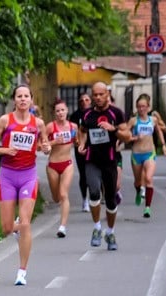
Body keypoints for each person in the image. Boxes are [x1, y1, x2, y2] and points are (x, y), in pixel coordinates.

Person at [0, 84, 51, 285]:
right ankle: (15, 229)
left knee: (25, 222)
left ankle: (22, 272)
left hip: (28, 176)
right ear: (15, 100)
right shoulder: (6, 120)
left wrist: (46, 148)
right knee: (6, 228)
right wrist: (5, 150)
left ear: (31, 100)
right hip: (8, 176)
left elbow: (44, 146)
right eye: (19, 96)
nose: (23, 99)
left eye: (26, 96)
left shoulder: (38, 123)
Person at [77, 81, 128, 251]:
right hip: (92, 160)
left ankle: (110, 232)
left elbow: (127, 136)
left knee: (111, 201)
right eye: (95, 95)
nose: (98, 98)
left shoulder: (116, 113)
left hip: (110, 161)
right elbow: (82, 131)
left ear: (107, 94)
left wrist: (112, 129)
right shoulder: (87, 115)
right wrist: (81, 144)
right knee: (93, 191)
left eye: (101, 94)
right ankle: (97, 227)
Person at [126, 93, 166, 218]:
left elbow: (159, 131)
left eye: (144, 106)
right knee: (138, 182)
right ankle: (139, 191)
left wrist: (164, 145)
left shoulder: (153, 120)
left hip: (150, 153)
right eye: (139, 106)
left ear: (148, 107)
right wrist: (134, 137)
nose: (141, 109)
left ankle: (147, 207)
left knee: (149, 178)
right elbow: (125, 136)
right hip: (136, 154)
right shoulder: (133, 121)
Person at [44, 99, 78, 238]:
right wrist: (52, 142)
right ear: (54, 113)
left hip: (67, 164)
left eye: (62, 110)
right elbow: (43, 147)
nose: (60, 113)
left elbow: (77, 141)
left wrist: (81, 146)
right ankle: (57, 200)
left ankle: (62, 226)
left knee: (64, 195)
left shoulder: (73, 127)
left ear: (67, 111)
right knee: (56, 197)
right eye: (57, 111)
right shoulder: (50, 127)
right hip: (52, 165)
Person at [68, 93, 91, 212]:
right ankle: (84, 199)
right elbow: (72, 130)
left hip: (93, 148)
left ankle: (98, 196)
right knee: (84, 174)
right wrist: (75, 141)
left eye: (87, 99)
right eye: (82, 100)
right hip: (80, 148)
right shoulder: (75, 115)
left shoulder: (94, 113)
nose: (84, 102)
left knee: (95, 172)